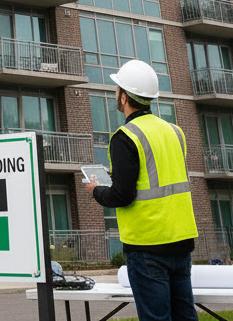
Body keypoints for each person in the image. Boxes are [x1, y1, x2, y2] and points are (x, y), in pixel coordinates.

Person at [85, 60, 199, 321]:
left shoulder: (125, 136)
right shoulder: (175, 132)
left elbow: (121, 195)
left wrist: (95, 190)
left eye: (117, 90)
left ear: (123, 96)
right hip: (181, 241)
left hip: (147, 245)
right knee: (185, 317)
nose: (116, 94)